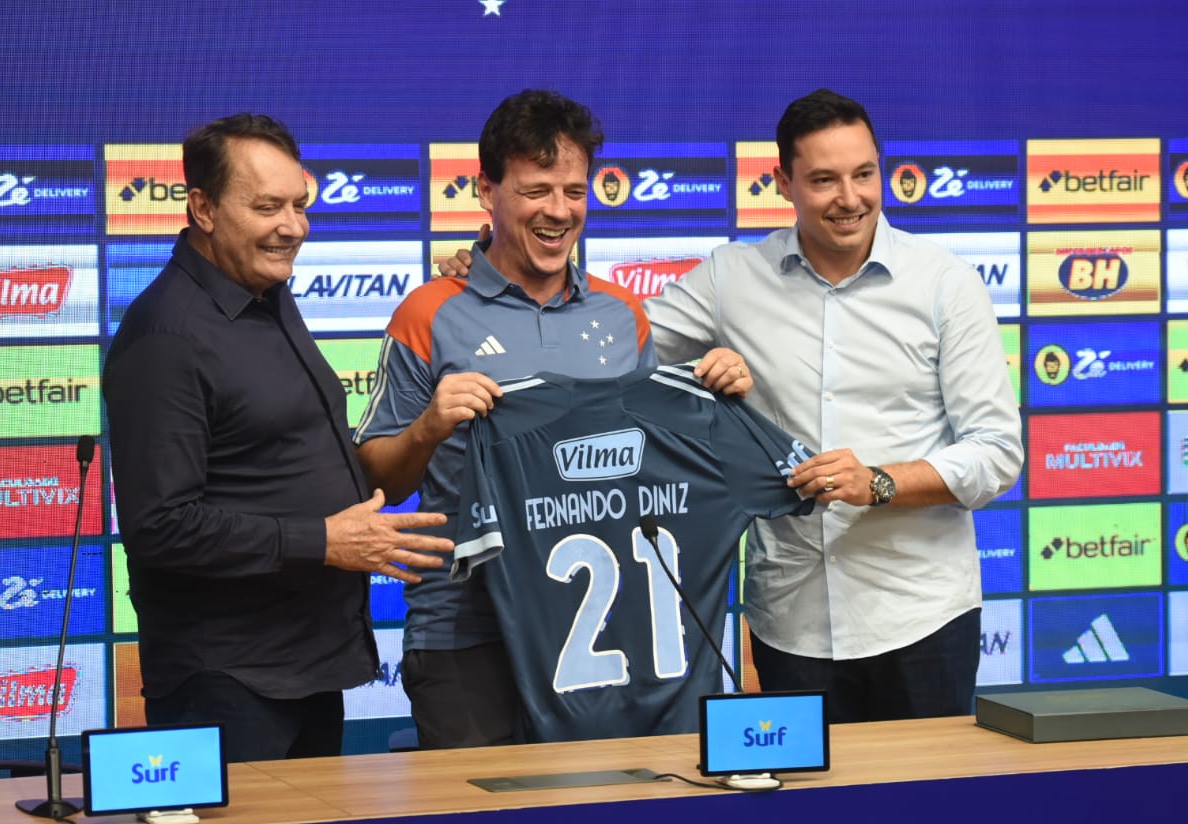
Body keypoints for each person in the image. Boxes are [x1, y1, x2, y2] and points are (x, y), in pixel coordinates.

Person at [355, 89, 749, 749]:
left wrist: (718, 390)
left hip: (601, 628)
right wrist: (428, 426)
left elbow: (660, 456)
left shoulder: (624, 315)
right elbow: (378, 481)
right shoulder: (427, 312)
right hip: (466, 633)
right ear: (487, 192)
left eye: (574, 190)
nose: (560, 211)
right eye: (537, 190)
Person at [645, 88, 1024, 723]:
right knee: (808, 816)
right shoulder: (730, 277)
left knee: (928, 814)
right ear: (782, 183)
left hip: (923, 617)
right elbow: (607, 347)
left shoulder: (945, 284)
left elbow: (996, 452)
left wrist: (876, 481)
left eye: (864, 174)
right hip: (789, 620)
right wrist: (497, 272)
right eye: (823, 180)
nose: (850, 199)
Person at [104, 113, 453, 763]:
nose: (292, 226)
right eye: (267, 207)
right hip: (226, 682)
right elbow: (160, 525)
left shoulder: (264, 291)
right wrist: (324, 540)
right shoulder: (166, 336)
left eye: (299, 204)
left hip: (305, 668)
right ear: (203, 208)